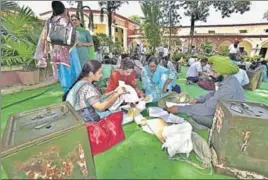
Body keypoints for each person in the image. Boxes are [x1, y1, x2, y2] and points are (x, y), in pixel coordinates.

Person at [167, 55, 245, 129]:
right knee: (196, 106)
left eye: (214, 71)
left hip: (229, 120)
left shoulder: (228, 88)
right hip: (225, 111)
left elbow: (207, 108)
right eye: (211, 71)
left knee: (194, 114)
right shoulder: (228, 79)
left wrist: (179, 109)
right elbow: (213, 94)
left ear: (224, 72)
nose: (211, 74)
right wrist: (198, 99)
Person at [34, 1, 81, 93]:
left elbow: (44, 37)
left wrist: (42, 54)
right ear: (63, 9)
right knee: (73, 71)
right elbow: (72, 37)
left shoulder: (49, 21)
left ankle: (66, 92)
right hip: (68, 50)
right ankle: (74, 93)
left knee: (62, 72)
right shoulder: (65, 20)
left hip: (55, 51)